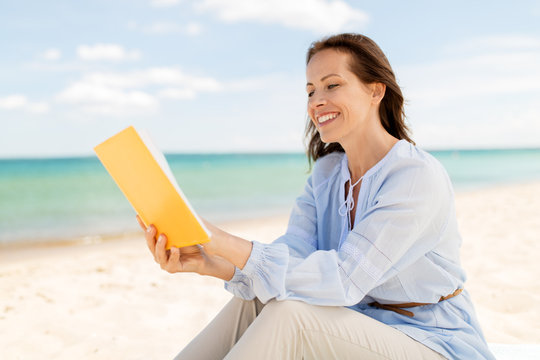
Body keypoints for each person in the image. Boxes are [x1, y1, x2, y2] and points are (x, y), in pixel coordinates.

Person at [137, 33, 495, 359]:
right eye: (310, 91)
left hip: (433, 341)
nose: (317, 101)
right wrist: (207, 261)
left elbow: (343, 280)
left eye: (332, 85)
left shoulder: (414, 177)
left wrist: (221, 239)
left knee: (290, 314)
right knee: (262, 299)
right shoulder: (326, 174)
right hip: (360, 326)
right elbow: (294, 258)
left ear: (376, 90)